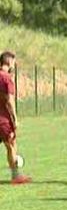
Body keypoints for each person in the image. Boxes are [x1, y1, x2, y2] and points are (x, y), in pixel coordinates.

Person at [0, 51, 31, 185]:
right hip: (3, 119)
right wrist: (15, 119)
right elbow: (9, 101)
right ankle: (16, 176)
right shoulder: (6, 78)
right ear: (8, 62)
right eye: (13, 62)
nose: (14, 65)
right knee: (11, 145)